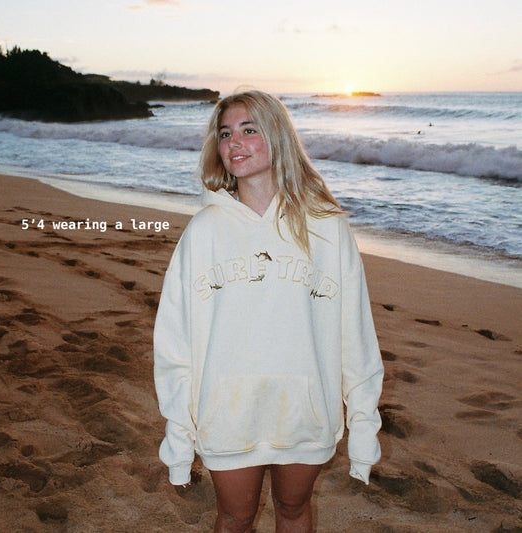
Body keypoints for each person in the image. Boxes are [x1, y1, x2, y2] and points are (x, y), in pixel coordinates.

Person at [154, 90, 384, 532]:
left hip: (304, 411)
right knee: (235, 518)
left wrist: (362, 428)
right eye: (225, 134)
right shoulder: (204, 231)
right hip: (228, 412)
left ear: (277, 136)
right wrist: (179, 436)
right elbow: (173, 341)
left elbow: (355, 334)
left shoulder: (327, 226)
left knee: (294, 511)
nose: (234, 143)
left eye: (248, 129)